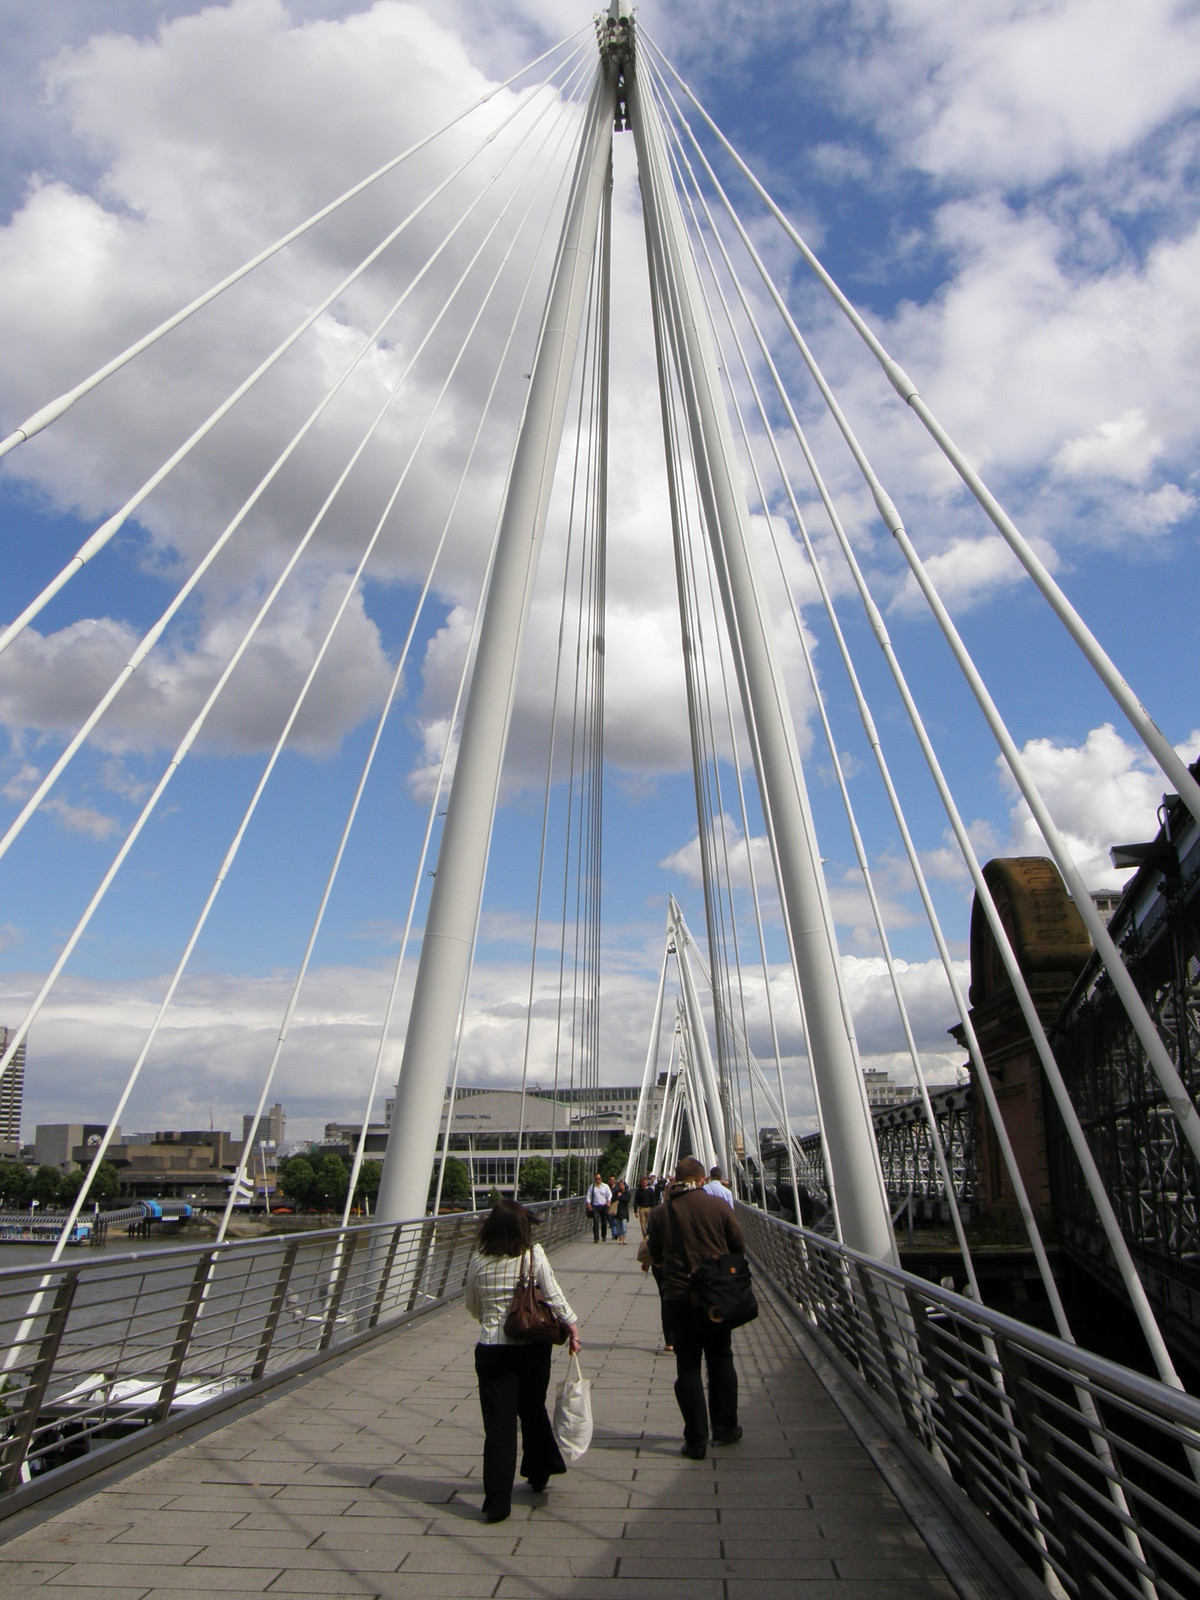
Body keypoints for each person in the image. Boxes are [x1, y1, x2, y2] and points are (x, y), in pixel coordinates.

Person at [465, 1198, 582, 1523]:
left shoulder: (478, 1258)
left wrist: (492, 1320)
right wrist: (572, 1326)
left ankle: (497, 1502)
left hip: (492, 1350)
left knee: (498, 1427)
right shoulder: (534, 1255)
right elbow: (554, 1295)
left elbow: (473, 1304)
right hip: (532, 1347)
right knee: (532, 1408)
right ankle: (540, 1469)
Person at [647, 1155, 746, 1459]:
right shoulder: (719, 1207)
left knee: (688, 1367)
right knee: (721, 1359)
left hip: (680, 1299)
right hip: (716, 1298)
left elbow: (655, 1254)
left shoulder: (661, 1213)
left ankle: (697, 1439)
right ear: (703, 1180)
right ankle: (726, 1427)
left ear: (676, 1179)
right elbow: (738, 1246)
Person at [586, 1172, 612, 1241]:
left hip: (604, 1206)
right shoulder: (592, 1187)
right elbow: (588, 1195)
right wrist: (588, 1204)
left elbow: (609, 1194)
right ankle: (596, 1238)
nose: (598, 1180)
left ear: (601, 1179)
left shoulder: (605, 1186)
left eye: (599, 1179)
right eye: (596, 1179)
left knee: (604, 1221)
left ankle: (604, 1236)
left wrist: (608, 1201)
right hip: (595, 1206)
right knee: (595, 1221)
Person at [611, 1177, 631, 1242]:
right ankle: (620, 1238)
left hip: (624, 1212)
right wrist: (617, 1196)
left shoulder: (627, 1193)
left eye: (622, 1185)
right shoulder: (616, 1192)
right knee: (618, 1226)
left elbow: (626, 1201)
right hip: (617, 1211)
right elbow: (612, 1200)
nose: (620, 1187)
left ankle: (624, 1238)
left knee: (624, 1225)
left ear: (624, 1186)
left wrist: (620, 1197)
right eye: (619, 1185)